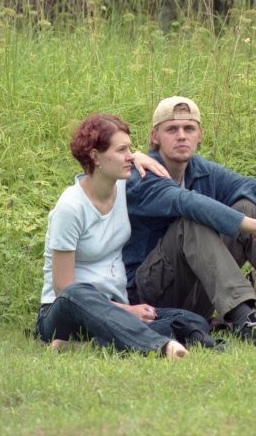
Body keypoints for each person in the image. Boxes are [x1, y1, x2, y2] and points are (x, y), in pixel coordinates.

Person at [124, 97, 256, 343]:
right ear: (155, 136)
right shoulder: (141, 176)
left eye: (189, 128)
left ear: (200, 135)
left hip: (197, 291)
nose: (182, 136)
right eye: (172, 129)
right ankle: (244, 316)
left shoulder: (200, 170)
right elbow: (189, 203)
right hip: (149, 296)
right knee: (191, 222)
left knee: (249, 206)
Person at [35, 112, 218, 360]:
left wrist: (141, 156)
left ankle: (85, 345)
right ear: (95, 157)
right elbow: (63, 288)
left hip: (116, 307)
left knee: (190, 320)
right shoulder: (70, 208)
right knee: (77, 292)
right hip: (66, 313)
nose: (130, 155)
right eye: (122, 150)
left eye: (130, 148)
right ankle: (160, 347)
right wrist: (128, 311)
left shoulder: (123, 187)